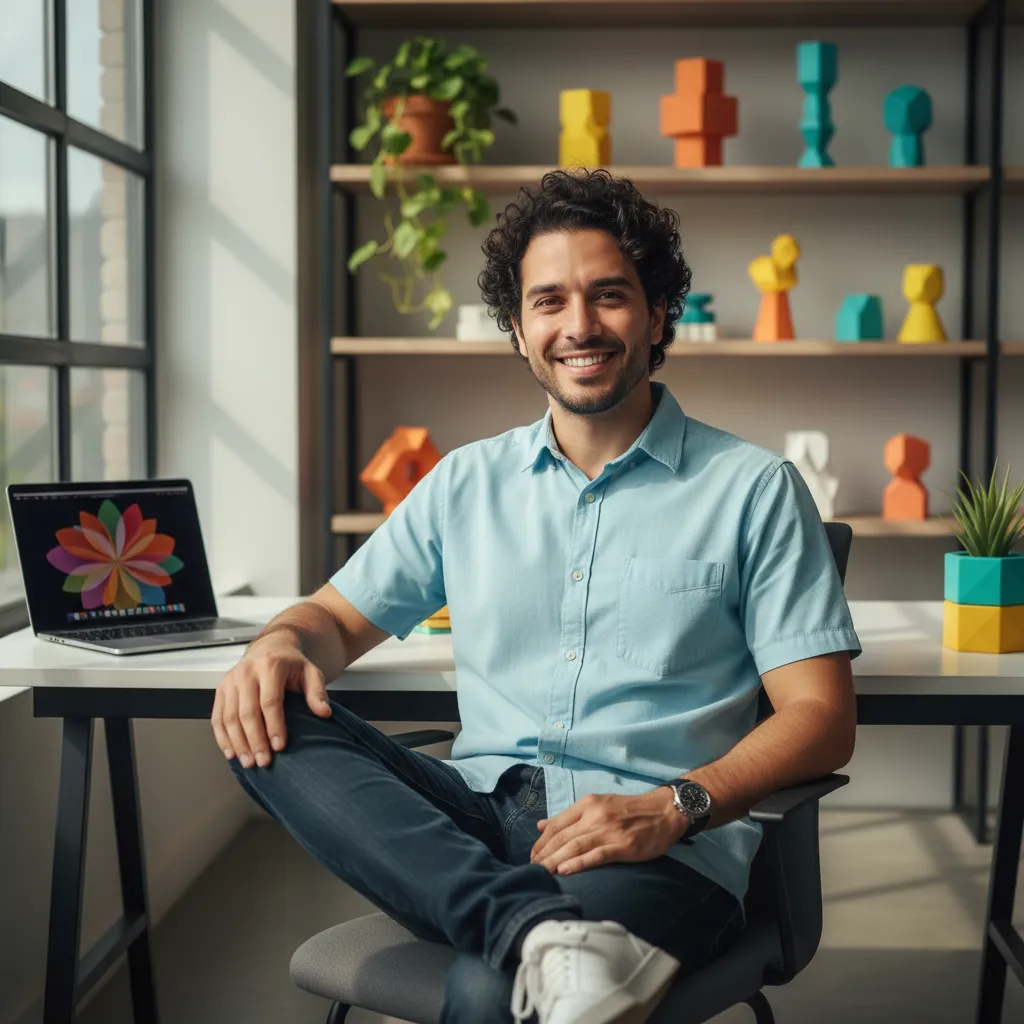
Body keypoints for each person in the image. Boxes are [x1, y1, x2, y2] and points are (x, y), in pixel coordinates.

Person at [212, 168, 861, 1024]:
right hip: (475, 818)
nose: (579, 326)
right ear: (518, 331)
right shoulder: (464, 483)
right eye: (549, 302)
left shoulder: (753, 489)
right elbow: (330, 619)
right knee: (264, 711)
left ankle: (523, 938)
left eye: (610, 295)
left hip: (653, 845)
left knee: (493, 991)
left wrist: (677, 806)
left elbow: (821, 715)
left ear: (659, 313)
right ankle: (535, 930)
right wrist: (283, 644)